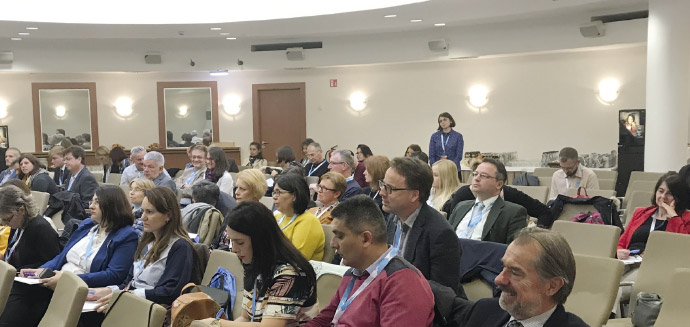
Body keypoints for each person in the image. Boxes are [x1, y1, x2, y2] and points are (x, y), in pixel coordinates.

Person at [2, 185, 138, 327]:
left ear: (112, 205)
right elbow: (62, 256)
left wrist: (68, 280)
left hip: (84, 290)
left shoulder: (127, 235)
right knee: (20, 289)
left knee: (23, 298)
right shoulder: (87, 225)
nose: (91, 206)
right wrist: (42, 270)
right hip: (58, 282)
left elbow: (114, 275)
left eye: (97, 202)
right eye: (91, 201)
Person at [305, 195, 435, 327]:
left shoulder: (403, 283)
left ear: (366, 239)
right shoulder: (353, 274)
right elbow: (323, 321)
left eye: (340, 236)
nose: (333, 244)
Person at [199, 201, 318, 327]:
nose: (234, 249)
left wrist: (216, 323)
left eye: (240, 242)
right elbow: (245, 318)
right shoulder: (256, 264)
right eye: (231, 242)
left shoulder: (291, 274)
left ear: (260, 240)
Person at [87, 187, 194, 315]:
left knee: (91, 316)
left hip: (151, 310)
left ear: (168, 216)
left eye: (149, 212)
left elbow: (169, 292)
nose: (143, 218)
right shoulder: (146, 241)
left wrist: (126, 295)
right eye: (143, 211)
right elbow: (130, 282)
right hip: (133, 301)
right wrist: (110, 290)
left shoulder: (180, 247)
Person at [382, 157, 461, 291]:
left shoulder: (441, 234)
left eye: (390, 188)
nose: (382, 193)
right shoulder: (393, 218)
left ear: (414, 195)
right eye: (383, 185)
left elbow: (443, 292)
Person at [448, 158, 528, 244]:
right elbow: (446, 237)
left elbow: (512, 251)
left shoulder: (513, 212)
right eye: (475, 174)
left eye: (483, 176)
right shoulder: (461, 207)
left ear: (499, 184)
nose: (476, 179)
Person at [617, 172, 690, 259]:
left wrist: (673, 216)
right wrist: (619, 252)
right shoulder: (640, 212)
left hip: (659, 263)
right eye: (661, 191)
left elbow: (684, 247)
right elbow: (622, 242)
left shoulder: (686, 218)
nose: (663, 196)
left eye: (669, 193)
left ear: (678, 197)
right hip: (630, 261)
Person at [0, 185, 60, 270]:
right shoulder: (17, 225)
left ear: (21, 210)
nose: (5, 224)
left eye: (7, 219)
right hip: (12, 272)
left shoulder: (40, 228)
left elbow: (53, 262)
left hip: (26, 278)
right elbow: (12, 255)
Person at [272, 174, 325, 260]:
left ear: (294, 196)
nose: (274, 197)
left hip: (295, 270)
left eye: (279, 192)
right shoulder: (277, 216)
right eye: (274, 192)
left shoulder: (308, 221)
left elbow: (297, 259)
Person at [213, 169, 266, 249]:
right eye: (237, 188)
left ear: (255, 192)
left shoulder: (260, 217)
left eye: (243, 189)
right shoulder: (233, 211)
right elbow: (218, 240)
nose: (236, 192)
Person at [429, 112, 464, 179]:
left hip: (453, 170)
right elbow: (431, 155)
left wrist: (449, 166)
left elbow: (459, 156)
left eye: (445, 120)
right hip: (439, 171)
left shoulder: (458, 136)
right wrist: (435, 167)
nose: (442, 122)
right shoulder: (434, 136)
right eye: (440, 121)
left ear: (450, 121)